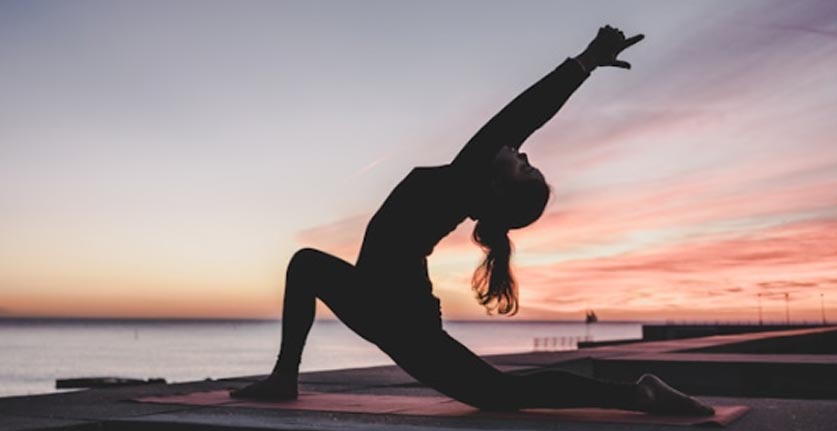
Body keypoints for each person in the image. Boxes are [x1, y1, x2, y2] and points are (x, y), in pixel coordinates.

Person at [231, 25, 714, 416]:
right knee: (306, 264)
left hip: (398, 316)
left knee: (499, 396)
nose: (521, 151)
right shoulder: (464, 186)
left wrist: (584, 63)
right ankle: (285, 377)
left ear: (499, 188)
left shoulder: (467, 179)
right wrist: (584, 64)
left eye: (524, 165)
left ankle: (637, 394)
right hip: (377, 300)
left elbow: (522, 115)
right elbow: (519, 124)